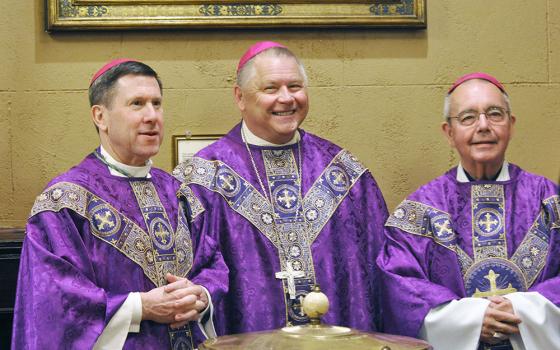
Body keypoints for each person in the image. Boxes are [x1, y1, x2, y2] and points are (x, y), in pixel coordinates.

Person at [173, 41, 388, 335]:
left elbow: (380, 276)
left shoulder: (344, 173)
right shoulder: (201, 179)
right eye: (271, 89)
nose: (286, 99)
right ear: (240, 97)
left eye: (295, 86)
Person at [11, 59, 227, 349]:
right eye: (137, 104)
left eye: (157, 103)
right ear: (100, 116)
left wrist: (200, 295)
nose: (152, 116)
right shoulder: (64, 203)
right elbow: (54, 300)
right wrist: (141, 307)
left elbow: (212, 263)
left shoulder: (180, 193)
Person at [378, 72, 560, 350]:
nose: (483, 126)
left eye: (495, 114)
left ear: (511, 125)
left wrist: (523, 310)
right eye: (468, 118)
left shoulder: (549, 200)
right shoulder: (421, 211)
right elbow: (399, 289)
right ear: (449, 133)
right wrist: (473, 320)